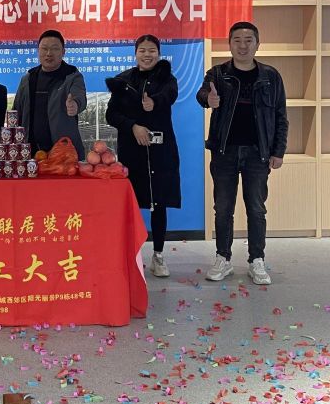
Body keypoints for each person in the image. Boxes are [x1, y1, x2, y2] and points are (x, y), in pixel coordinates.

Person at [196, 21, 288, 286]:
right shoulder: (218, 74)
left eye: (249, 40)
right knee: (223, 207)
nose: (243, 45)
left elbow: (281, 116)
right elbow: (202, 94)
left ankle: (256, 259)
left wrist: (278, 151)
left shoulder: (270, 76)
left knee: (256, 208)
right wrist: (208, 99)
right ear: (230, 44)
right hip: (224, 152)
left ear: (258, 44)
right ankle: (223, 258)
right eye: (237, 40)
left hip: (258, 153)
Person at [105, 34, 181, 278]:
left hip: (160, 151)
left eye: (152, 50)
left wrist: (154, 103)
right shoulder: (123, 80)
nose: (147, 55)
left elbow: (170, 95)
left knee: (159, 203)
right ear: (135, 53)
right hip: (132, 151)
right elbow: (111, 115)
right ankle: (131, 255)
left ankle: (158, 255)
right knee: (131, 203)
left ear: (158, 53)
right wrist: (132, 126)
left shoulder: (167, 79)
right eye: (142, 50)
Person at [13, 29, 87, 160]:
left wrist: (75, 105)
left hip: (63, 153)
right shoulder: (28, 79)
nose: (49, 53)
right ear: (38, 51)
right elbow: (16, 111)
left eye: (54, 49)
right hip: (30, 153)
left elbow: (79, 96)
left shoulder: (72, 76)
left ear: (63, 52)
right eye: (44, 48)